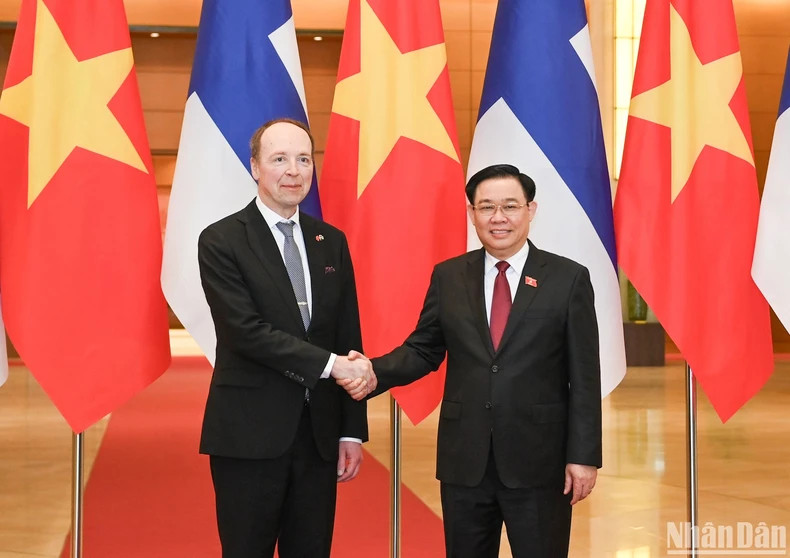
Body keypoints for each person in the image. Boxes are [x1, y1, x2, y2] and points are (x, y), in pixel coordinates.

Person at [360, 164, 602, 557]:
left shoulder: (568, 278)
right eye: (486, 207)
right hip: (465, 462)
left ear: (531, 210)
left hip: (540, 462)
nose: (498, 217)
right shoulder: (450, 277)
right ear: (472, 213)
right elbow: (423, 349)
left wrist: (584, 456)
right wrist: (372, 372)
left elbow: (585, 376)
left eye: (510, 205)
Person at [197, 118, 375, 558]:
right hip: (249, 434)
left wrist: (351, 432)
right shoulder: (221, 240)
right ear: (255, 166)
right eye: (279, 159)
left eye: (303, 159)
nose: (293, 170)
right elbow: (246, 333)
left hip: (318, 436)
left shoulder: (329, 240)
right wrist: (333, 366)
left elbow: (347, 333)